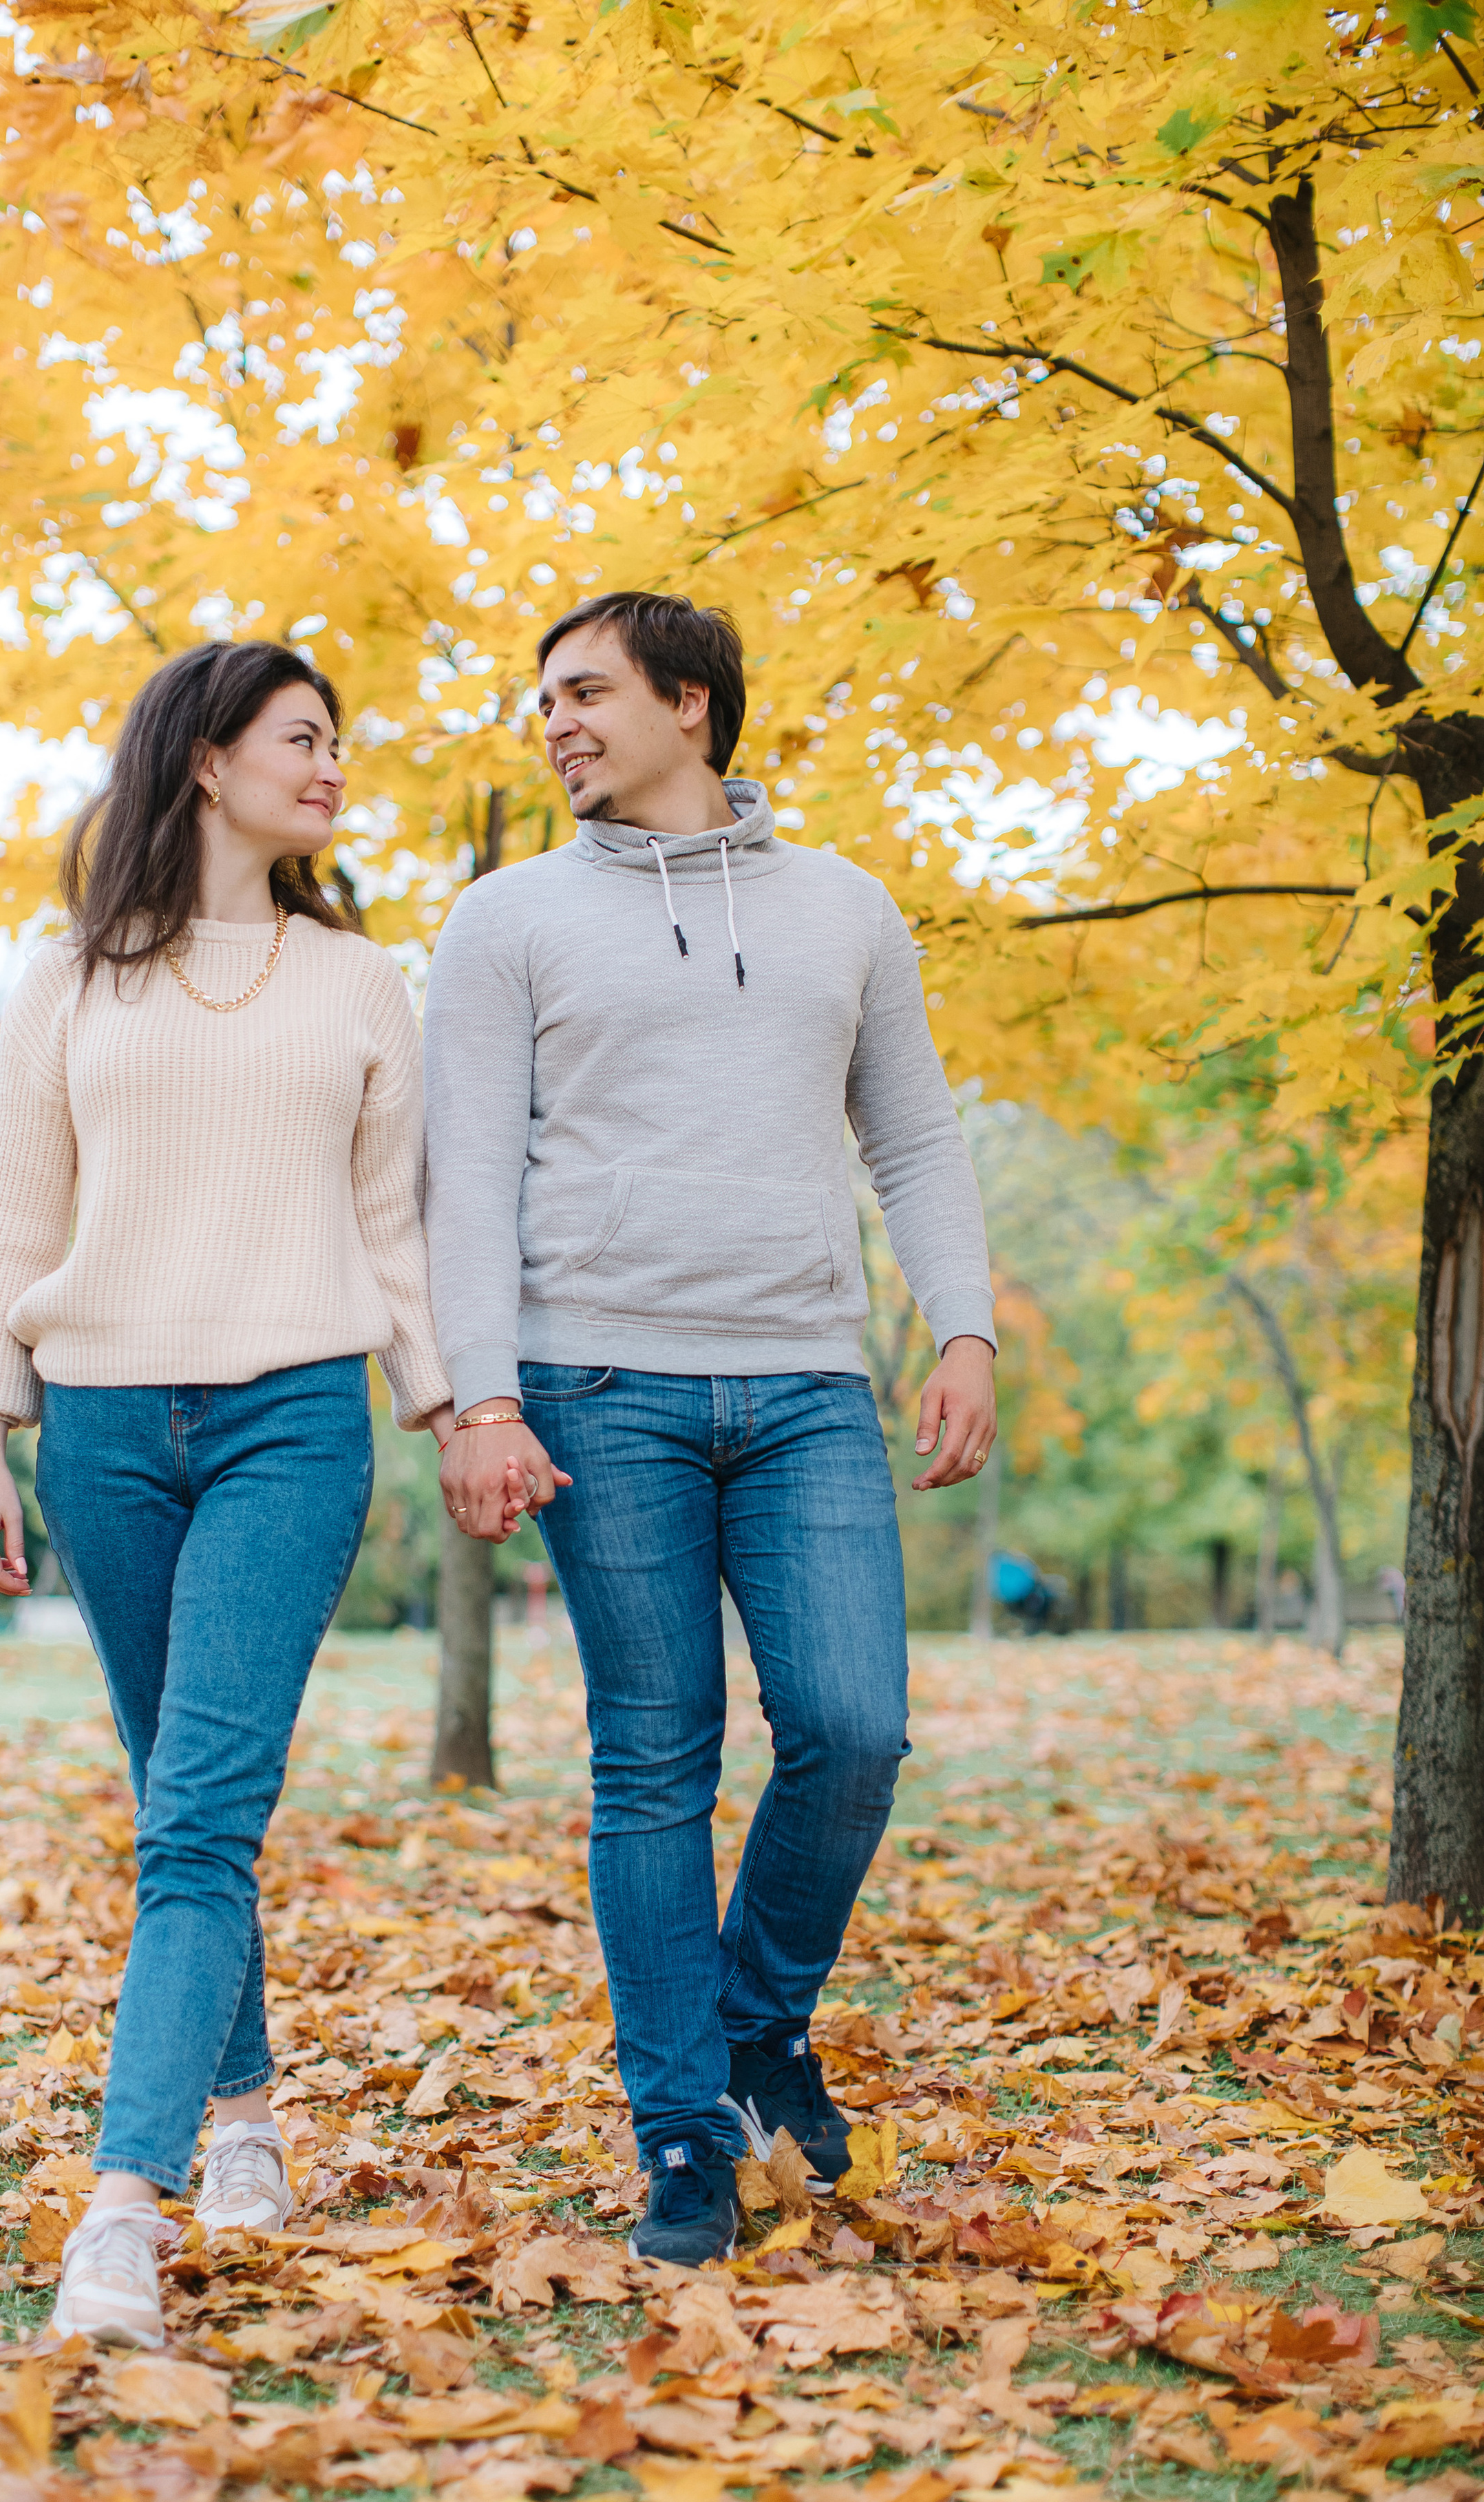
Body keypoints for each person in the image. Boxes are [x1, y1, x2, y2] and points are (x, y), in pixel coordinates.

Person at [424, 591, 996, 2268]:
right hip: (596, 1385)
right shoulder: (505, 919)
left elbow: (914, 1137)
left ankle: (754, 2027)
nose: (555, 722)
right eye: (543, 699)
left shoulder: (843, 908)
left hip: (809, 1380)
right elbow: (466, 1171)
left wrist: (960, 1326)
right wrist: (480, 1394)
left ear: (690, 702)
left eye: (585, 691)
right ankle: (680, 2129)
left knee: (853, 1730)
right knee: (653, 1761)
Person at [0, 640, 453, 2345]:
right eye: (304, 737)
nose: (333, 766)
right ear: (207, 761)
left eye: (338, 739)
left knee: (200, 1817)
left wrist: (451, 1407)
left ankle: (117, 2218)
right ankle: (243, 2118)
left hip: (290, 1424)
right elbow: (10, 1212)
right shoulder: (68, 978)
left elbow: (392, 1224)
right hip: (97, 1432)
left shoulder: (358, 982)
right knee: (180, 1805)